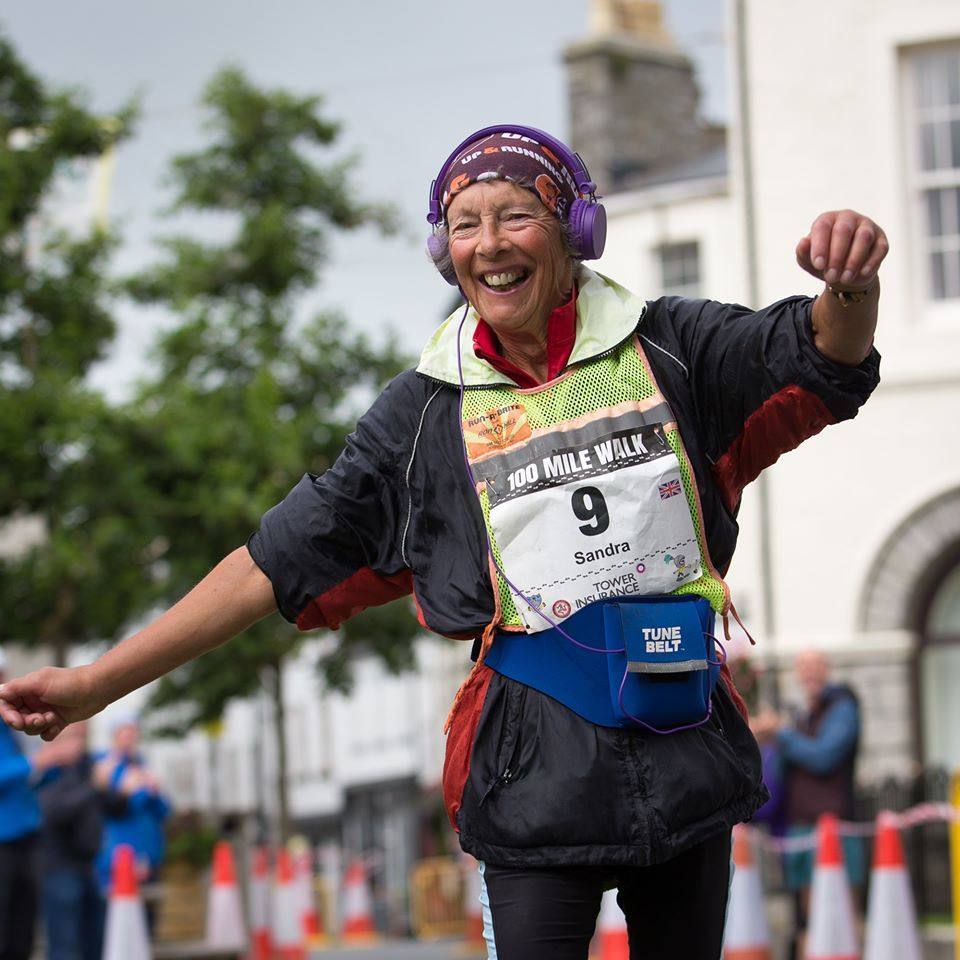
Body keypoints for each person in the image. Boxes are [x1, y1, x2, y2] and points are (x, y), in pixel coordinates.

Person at [0, 126, 886, 959]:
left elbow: (821, 353)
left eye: (515, 215)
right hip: (533, 770)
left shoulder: (674, 346)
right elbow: (270, 566)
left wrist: (850, 284)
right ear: (444, 251)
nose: (488, 242)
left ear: (574, 229)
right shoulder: (422, 417)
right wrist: (93, 684)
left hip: (684, 733)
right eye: (465, 224)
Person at [754, 649, 863, 958]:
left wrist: (781, 734)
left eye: (816, 665)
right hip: (800, 830)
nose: (810, 673)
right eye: (804, 667)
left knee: (841, 916)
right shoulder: (804, 715)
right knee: (806, 920)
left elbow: (824, 756)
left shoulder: (842, 708)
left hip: (833, 828)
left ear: (827, 669)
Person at [0, 649, 67, 960]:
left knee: (23, 930)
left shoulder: (9, 726)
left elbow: (26, 779)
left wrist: (53, 766)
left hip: (25, 837)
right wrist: (36, 762)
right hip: (4, 842)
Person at [36, 721, 122, 960]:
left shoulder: (88, 765)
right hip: (57, 867)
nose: (78, 743)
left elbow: (115, 809)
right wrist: (94, 787)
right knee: (65, 946)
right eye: (74, 735)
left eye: (83, 736)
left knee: (94, 943)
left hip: (88, 866)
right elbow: (53, 811)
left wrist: (116, 788)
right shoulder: (47, 769)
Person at [92, 715, 170, 927]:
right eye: (124, 733)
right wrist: (124, 790)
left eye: (133, 733)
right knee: (118, 922)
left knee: (147, 922)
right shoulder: (104, 767)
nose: (129, 739)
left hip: (148, 854)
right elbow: (109, 807)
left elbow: (162, 811)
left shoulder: (143, 766)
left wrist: (154, 791)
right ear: (114, 737)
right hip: (117, 857)